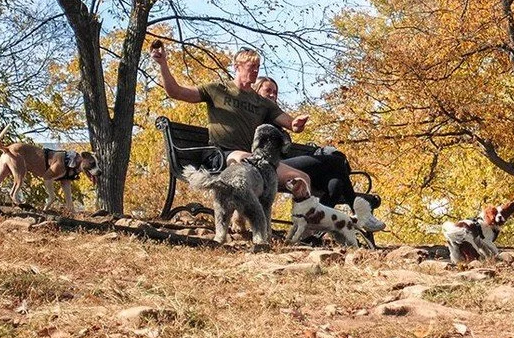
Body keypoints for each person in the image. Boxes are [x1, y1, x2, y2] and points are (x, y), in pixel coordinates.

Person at [149, 41, 313, 195]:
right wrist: (163, 64)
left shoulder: (262, 103)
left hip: (253, 159)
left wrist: (297, 123)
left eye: (258, 67)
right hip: (221, 155)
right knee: (249, 168)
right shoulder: (217, 90)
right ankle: (241, 214)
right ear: (237, 67)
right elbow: (175, 92)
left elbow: (292, 125)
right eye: (251, 66)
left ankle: (306, 217)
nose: (255, 70)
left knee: (302, 179)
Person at [253, 76, 384, 232]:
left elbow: (291, 134)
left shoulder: (276, 119)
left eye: (275, 92)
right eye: (268, 90)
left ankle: (310, 231)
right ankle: (360, 213)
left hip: (287, 165)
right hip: (269, 166)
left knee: (336, 183)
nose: (273, 95)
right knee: (336, 162)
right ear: (256, 91)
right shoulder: (254, 115)